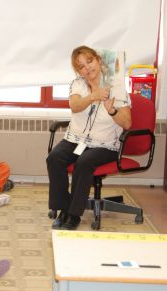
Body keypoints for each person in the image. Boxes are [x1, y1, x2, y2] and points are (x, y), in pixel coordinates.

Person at [46, 46, 132, 230]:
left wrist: (112, 111)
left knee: (84, 163)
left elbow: (127, 124)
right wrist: (92, 96)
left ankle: (74, 214)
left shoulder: (117, 88)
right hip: (76, 139)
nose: (88, 68)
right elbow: (75, 106)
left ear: (99, 60)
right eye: (81, 66)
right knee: (54, 157)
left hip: (105, 146)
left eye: (90, 61)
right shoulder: (77, 84)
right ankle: (63, 208)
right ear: (78, 71)